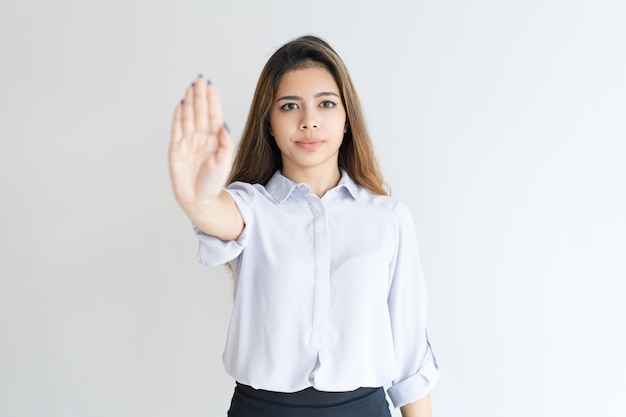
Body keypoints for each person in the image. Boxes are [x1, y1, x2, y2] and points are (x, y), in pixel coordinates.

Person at [169, 35, 439, 417]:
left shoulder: (388, 218)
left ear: (347, 119)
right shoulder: (254, 206)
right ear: (270, 124)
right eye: (289, 106)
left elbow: (410, 354)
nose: (309, 120)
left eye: (326, 104)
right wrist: (197, 201)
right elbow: (220, 216)